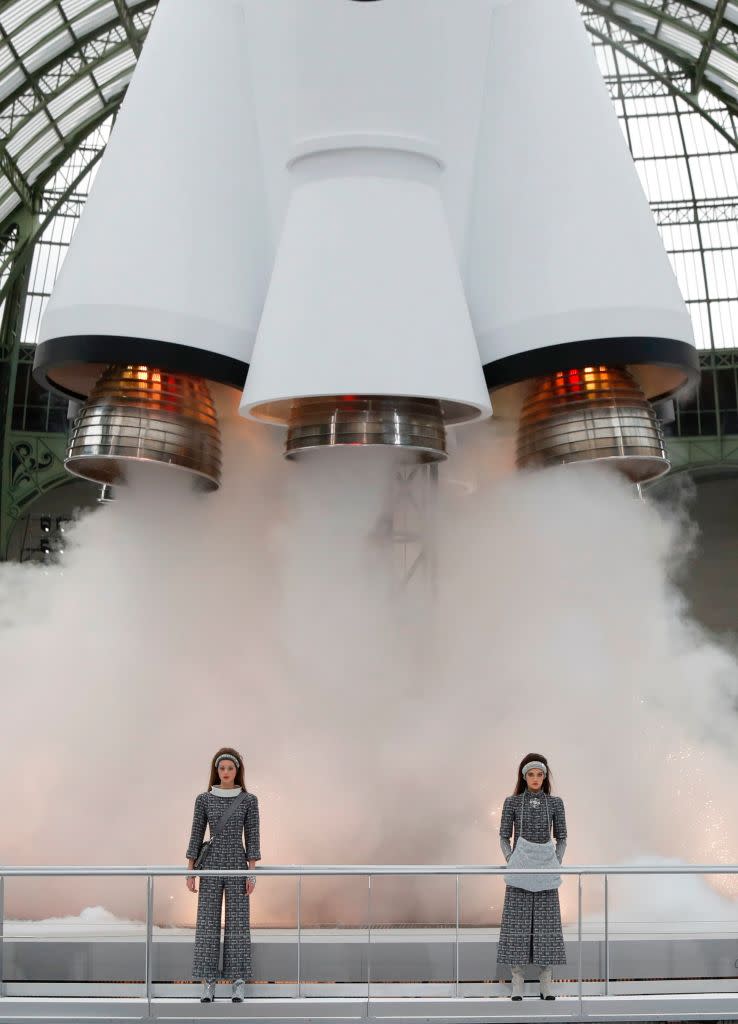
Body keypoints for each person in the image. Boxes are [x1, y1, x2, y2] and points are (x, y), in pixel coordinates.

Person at [186, 747, 261, 1003]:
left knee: (238, 925)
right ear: (216, 771)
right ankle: (208, 984)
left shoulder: (249, 800)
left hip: (237, 865)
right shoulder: (204, 799)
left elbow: (252, 837)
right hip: (211, 865)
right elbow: (196, 834)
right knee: (207, 924)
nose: (226, 772)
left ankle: (238, 984)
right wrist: (190, 870)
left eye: (230, 768)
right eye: (222, 768)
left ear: (237, 770)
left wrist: (251, 874)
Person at [497, 753, 567, 1001]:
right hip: (521, 870)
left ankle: (545, 984)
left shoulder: (556, 803)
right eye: (530, 774)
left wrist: (556, 861)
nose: (535, 778)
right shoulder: (512, 803)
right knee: (517, 926)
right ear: (524, 776)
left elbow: (563, 837)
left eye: (539, 774)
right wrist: (512, 861)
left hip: (545, 871)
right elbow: (504, 836)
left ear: (545, 776)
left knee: (546, 927)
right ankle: (517, 983)